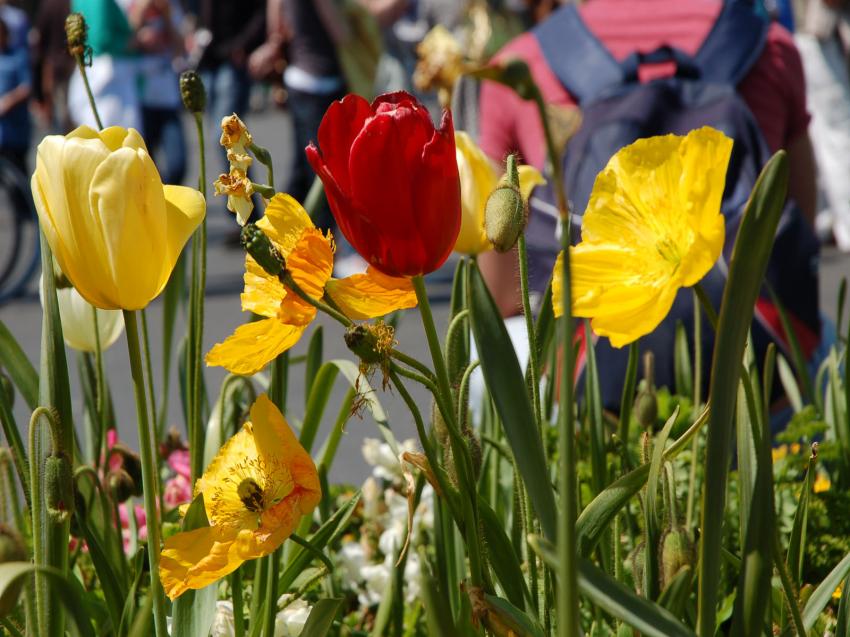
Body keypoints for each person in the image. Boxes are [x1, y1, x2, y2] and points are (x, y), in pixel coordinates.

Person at [479, 0, 817, 315]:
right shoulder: (769, 46)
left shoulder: (519, 64)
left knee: (487, 361)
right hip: (747, 340)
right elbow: (799, 242)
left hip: (587, 339)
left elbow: (502, 294)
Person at [133, 0, 187, 185]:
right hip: (139, 99)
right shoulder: (128, 5)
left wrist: (166, 16)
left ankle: (167, 197)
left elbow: (181, 47)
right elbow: (124, 41)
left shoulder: (170, 7)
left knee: (177, 163)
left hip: (167, 98)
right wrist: (140, 13)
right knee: (145, 167)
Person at [0, 16, 31, 178]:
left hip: (15, 134)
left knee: (18, 183)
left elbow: (26, 87)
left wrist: (8, 101)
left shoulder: (18, 56)